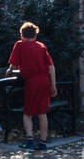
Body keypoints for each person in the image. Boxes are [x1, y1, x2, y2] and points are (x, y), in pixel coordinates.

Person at [8, 21, 58, 151]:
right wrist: (53, 84)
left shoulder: (19, 45)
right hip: (44, 81)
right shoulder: (42, 47)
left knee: (28, 113)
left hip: (32, 82)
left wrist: (8, 71)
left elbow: (13, 63)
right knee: (42, 113)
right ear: (35, 36)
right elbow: (51, 67)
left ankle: (29, 140)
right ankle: (42, 142)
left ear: (21, 35)